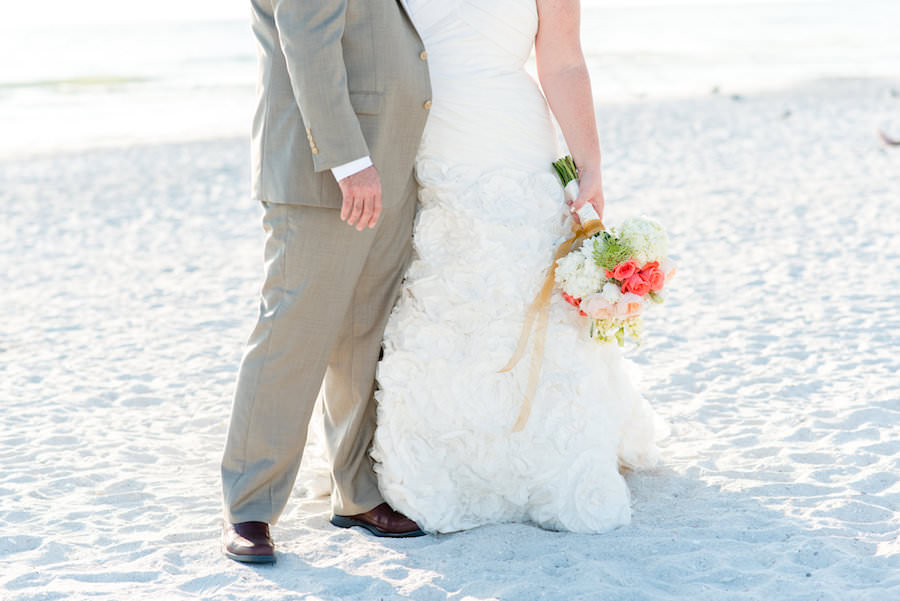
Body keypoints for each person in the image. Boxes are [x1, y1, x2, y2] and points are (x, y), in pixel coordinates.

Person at [372, 0, 664, 534]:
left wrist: (589, 163)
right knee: (446, 286)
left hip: (514, 139)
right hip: (421, 136)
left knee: (525, 275)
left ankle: (553, 452)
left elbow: (564, 62)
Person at [219, 0, 432, 563]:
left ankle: (356, 493)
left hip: (386, 164)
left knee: (364, 334)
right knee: (293, 333)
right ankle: (250, 506)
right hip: (331, 171)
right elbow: (306, 37)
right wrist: (346, 159)